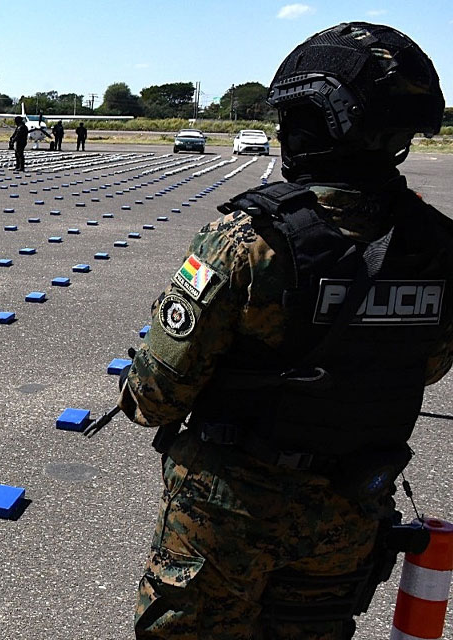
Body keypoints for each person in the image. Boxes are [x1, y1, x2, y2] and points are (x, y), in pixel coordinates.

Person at [117, 22, 451, 639]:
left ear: (317, 124)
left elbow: (156, 394)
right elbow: (423, 365)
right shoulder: (437, 246)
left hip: (228, 517)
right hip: (349, 512)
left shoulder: (252, 239)